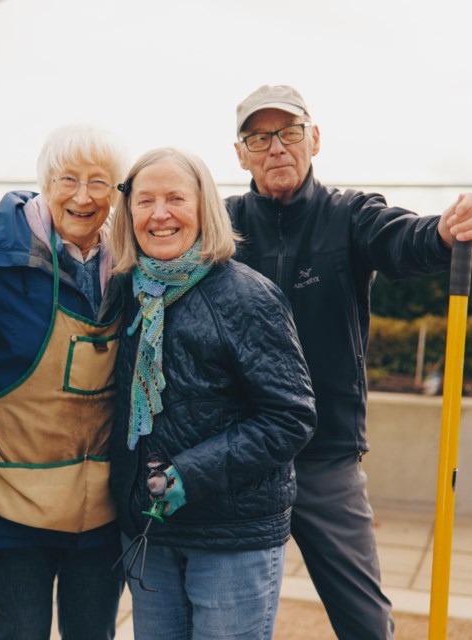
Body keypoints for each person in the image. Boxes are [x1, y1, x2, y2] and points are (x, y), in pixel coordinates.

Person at [227, 84, 472, 639]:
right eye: (260, 136)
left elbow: (404, 239)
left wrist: (443, 232)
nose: (276, 147)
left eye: (290, 132)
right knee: (228, 621)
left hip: (326, 455)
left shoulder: (348, 215)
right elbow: (139, 230)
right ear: (241, 153)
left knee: (366, 625)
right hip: (241, 457)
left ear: (314, 139)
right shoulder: (221, 224)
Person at [105, 147, 317, 639]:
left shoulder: (247, 296)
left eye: (176, 198)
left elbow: (291, 418)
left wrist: (189, 475)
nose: (160, 214)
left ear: (204, 207)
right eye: (145, 201)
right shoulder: (123, 292)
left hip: (231, 536)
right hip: (151, 532)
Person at [0, 125, 129, 639]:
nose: (82, 196)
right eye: (66, 179)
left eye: (99, 183)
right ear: (43, 183)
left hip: (102, 507)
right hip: (12, 503)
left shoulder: (133, 261)